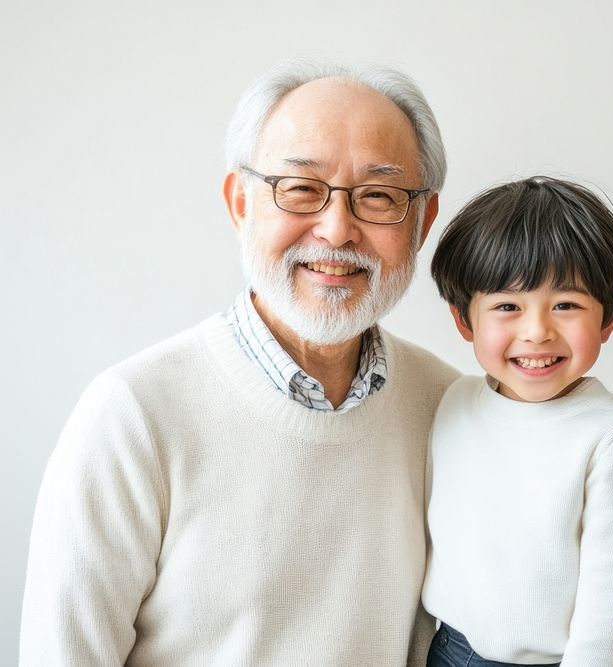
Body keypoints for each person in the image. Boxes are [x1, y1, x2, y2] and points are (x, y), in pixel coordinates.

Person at [20, 59, 459, 665]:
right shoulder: (134, 413)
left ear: (421, 223)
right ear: (240, 202)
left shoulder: (453, 409)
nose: (336, 230)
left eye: (378, 195)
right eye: (301, 188)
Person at [423, 176, 613, 666]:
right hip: (448, 649)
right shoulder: (455, 403)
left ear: (607, 319)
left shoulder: (612, 434)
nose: (537, 332)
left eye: (566, 306)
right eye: (507, 306)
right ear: (465, 320)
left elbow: (608, 601)